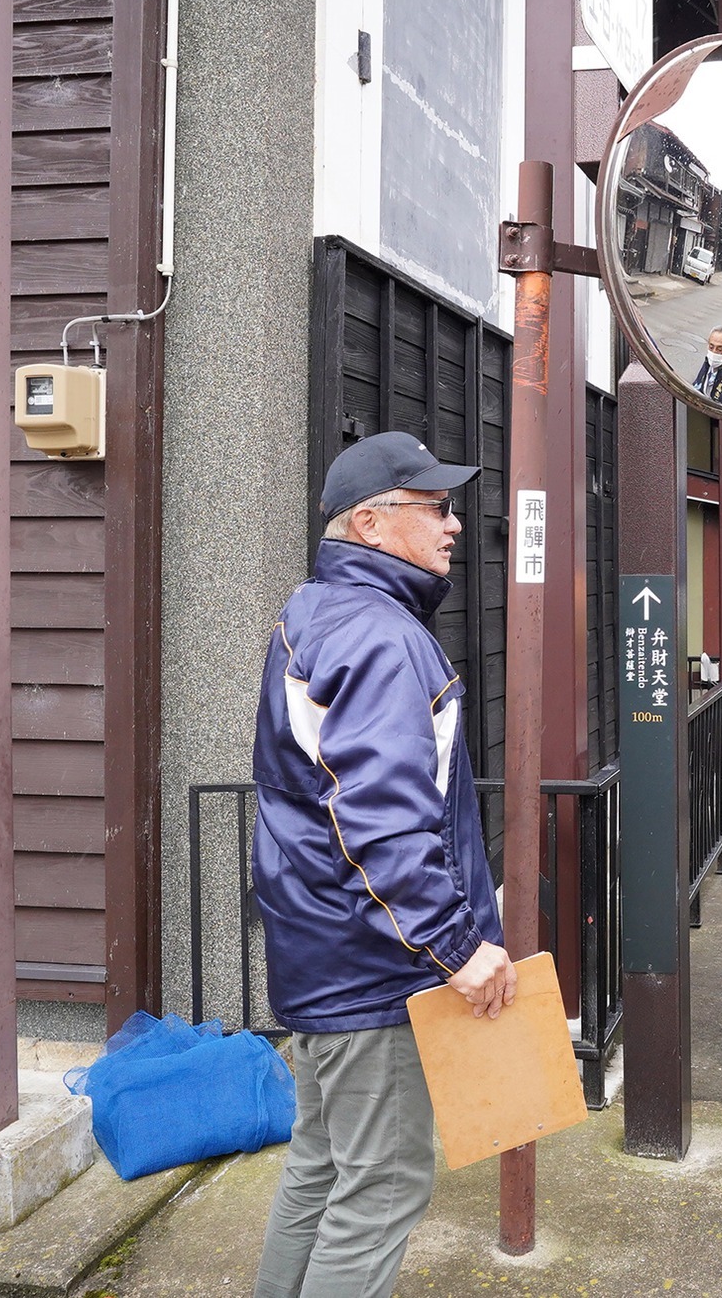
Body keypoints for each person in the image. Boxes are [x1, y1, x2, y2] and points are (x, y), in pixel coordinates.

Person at [251, 432, 516, 1298]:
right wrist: (456, 945)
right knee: (384, 1188)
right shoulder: (381, 635)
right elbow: (384, 825)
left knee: (321, 1172)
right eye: (433, 506)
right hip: (378, 974)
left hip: (321, 958)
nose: (452, 523)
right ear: (369, 521)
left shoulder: (313, 612)